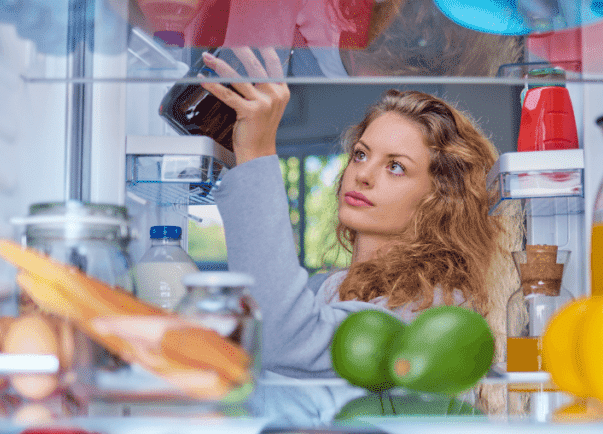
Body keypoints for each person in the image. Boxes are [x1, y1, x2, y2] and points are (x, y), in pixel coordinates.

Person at [201, 47, 508, 381]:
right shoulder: (332, 287)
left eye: (395, 167)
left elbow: (283, 338)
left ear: (441, 199)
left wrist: (257, 153)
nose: (363, 175)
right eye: (361, 155)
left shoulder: (433, 307)